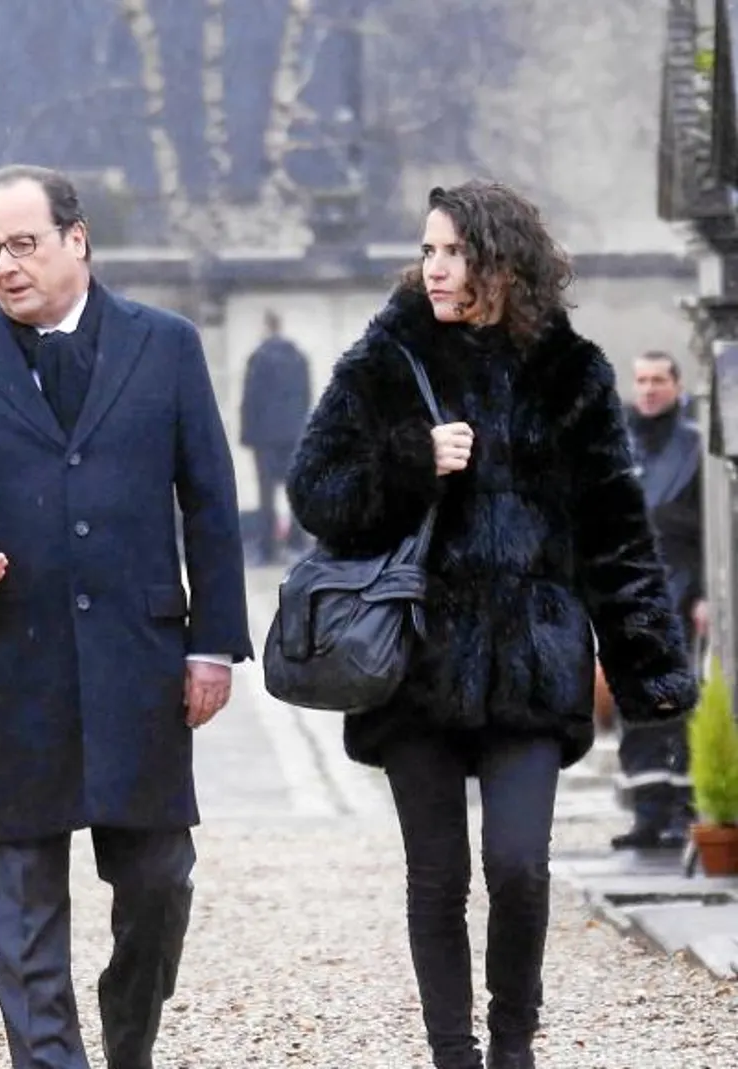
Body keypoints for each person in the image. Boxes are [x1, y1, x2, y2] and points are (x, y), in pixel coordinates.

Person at [286, 180, 696, 1069]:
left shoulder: (570, 372)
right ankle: (454, 1056)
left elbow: (616, 534)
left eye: (452, 251)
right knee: (436, 878)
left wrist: (648, 669)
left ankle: (513, 1043)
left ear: (500, 260)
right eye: (427, 250)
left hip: (531, 662)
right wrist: (410, 461)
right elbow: (314, 490)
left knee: (518, 867)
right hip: (415, 665)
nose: (434, 267)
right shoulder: (388, 357)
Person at [0, 164, 250, 1069]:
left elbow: (209, 499)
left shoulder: (165, 346)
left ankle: (128, 1040)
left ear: (76, 239)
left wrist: (213, 644)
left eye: (24, 243)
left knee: (161, 883)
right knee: (23, 909)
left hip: (141, 661)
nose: (6, 265)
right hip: (18, 661)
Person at [610, 350, 707, 850]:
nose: (648, 389)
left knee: (680, 704)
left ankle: (682, 813)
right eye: (641, 380)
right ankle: (647, 814)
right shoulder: (622, 444)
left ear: (676, 384)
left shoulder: (695, 446)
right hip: (629, 593)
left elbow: (717, 526)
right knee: (636, 706)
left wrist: (711, 594)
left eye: (658, 380)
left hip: (684, 589)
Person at [238, 310, 312, 564]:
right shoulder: (299, 357)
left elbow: (250, 401)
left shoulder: (258, 359)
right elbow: (306, 397)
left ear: (265, 327)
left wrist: (247, 435)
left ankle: (268, 549)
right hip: (294, 434)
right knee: (296, 490)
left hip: (265, 438)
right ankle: (297, 543)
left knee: (266, 494)